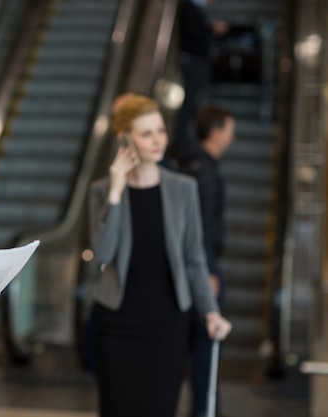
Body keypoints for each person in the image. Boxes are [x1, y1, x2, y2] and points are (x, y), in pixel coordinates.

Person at [88, 94, 231, 417]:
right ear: (124, 138)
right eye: (146, 133)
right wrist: (115, 191)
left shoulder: (184, 188)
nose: (158, 141)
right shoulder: (102, 191)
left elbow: (195, 258)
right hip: (118, 325)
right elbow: (103, 253)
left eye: (160, 131)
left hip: (168, 326)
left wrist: (210, 311)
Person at [179, 105, 235, 417]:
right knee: (205, 350)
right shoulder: (203, 173)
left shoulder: (190, 165)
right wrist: (210, 271)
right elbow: (202, 227)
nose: (232, 137)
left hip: (198, 268)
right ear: (214, 132)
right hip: (203, 271)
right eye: (229, 130)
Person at [172, 0, 228, 157]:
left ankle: (185, 142)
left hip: (195, 61)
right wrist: (211, 30)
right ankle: (181, 143)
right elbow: (195, 35)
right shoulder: (189, 8)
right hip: (193, 61)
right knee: (191, 103)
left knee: (194, 103)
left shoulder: (194, 9)